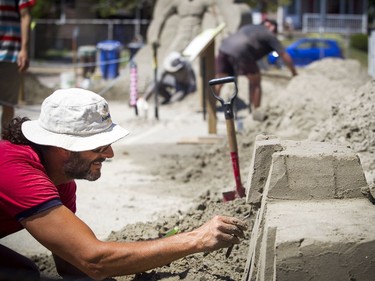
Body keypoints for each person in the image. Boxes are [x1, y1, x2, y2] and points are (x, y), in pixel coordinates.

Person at [0, 88, 248, 280]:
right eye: (99, 146)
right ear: (62, 148)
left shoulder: (61, 178)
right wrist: (194, 240)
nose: (110, 154)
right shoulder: (15, 169)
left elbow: (72, 261)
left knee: (23, 272)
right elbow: (93, 260)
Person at [215, 19, 297, 119]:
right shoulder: (269, 34)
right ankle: (256, 112)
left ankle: (211, 108)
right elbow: (283, 54)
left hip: (224, 48)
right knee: (255, 81)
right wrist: (294, 72)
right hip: (242, 51)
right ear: (272, 27)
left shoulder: (249, 27)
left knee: (219, 81)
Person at [0, 0, 35, 130]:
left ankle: (4, 146)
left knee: (7, 103)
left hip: (10, 51)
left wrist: (24, 49)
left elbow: (25, 15)